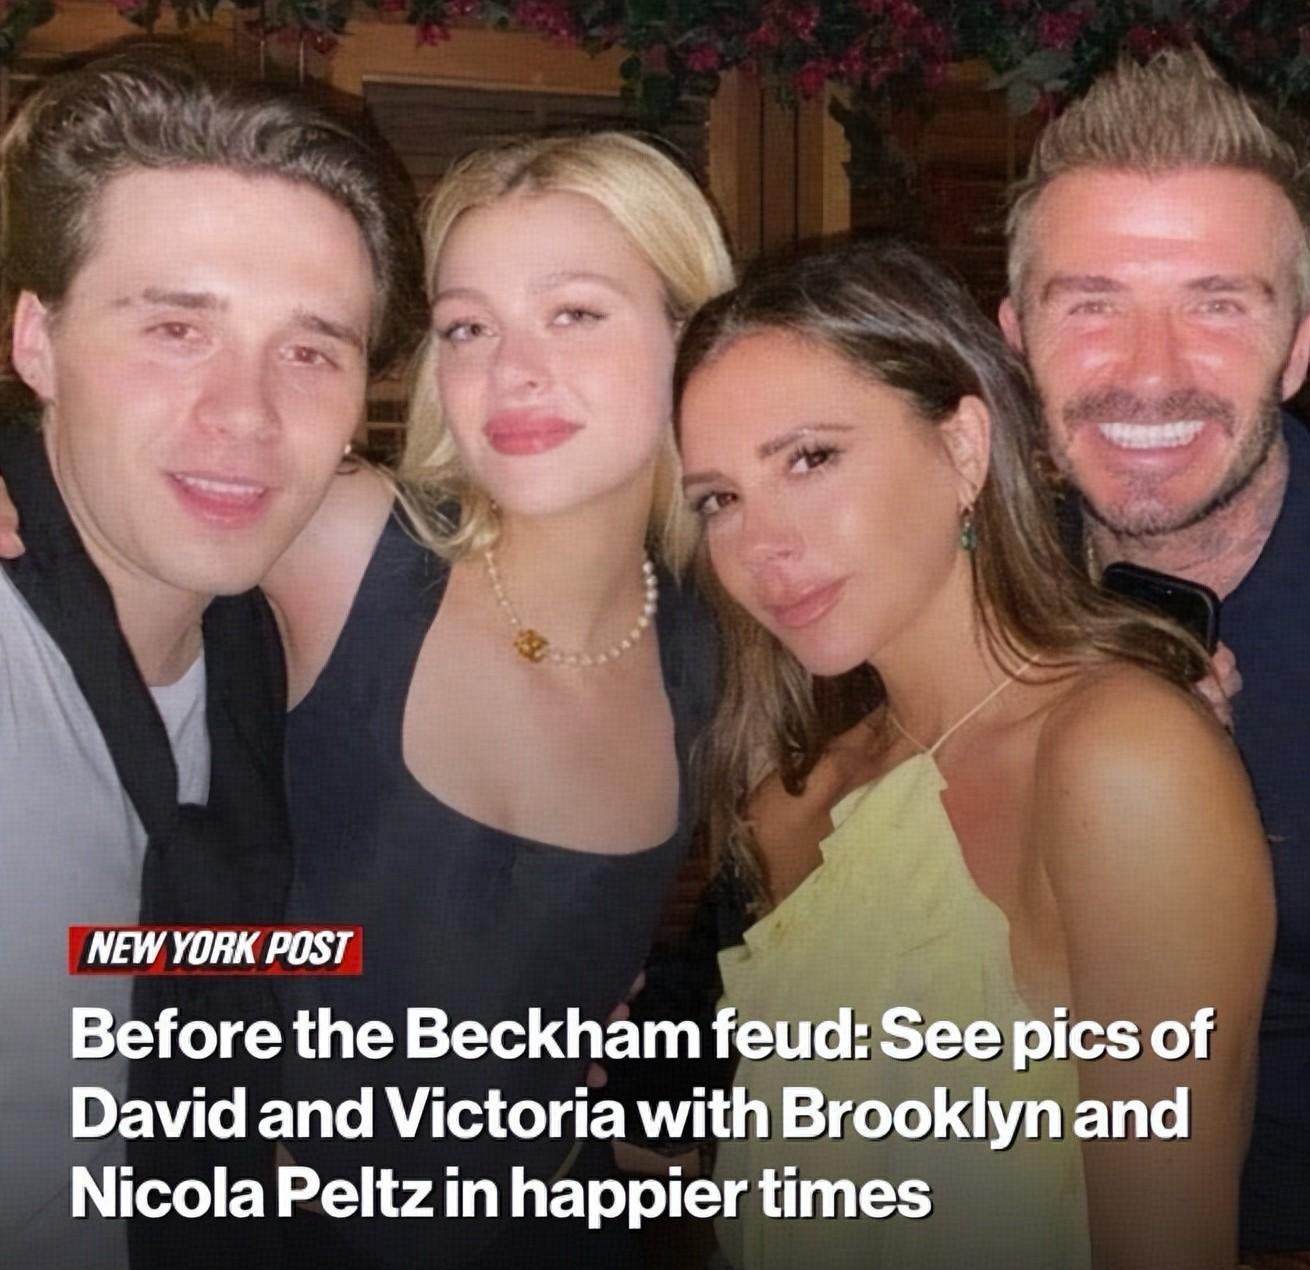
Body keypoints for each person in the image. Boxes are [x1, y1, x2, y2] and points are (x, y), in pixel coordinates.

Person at [674, 241, 1273, 1269]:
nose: (760, 543)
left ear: (961, 447)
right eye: (718, 498)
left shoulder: (1120, 761)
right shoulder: (792, 803)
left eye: (808, 459)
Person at [258, 132, 734, 1267]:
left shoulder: (717, 651)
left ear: (694, 341)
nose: (510, 371)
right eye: (468, 327)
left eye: (573, 313)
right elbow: (113, 497)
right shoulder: (345, 542)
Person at [0, 47, 424, 1270]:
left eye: (310, 349)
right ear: (38, 340)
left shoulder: (275, 649)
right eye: (176, 327)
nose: (245, 413)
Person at [996, 49, 1310, 1265]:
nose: (1147, 370)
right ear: (1015, 338)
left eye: (1215, 304)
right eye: (1090, 303)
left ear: (1294, 348)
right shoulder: (946, 583)